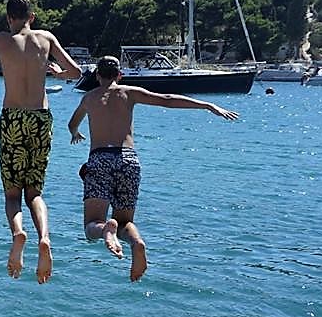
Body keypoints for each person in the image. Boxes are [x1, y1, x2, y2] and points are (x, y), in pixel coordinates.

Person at [67, 56, 240, 282]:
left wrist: (75, 133)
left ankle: (105, 231)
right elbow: (167, 99)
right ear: (120, 75)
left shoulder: (89, 98)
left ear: (97, 75)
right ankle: (136, 243)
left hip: (100, 159)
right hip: (128, 160)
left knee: (92, 226)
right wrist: (208, 106)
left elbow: (72, 123)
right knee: (125, 222)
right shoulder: (129, 92)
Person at [0, 0, 83, 284]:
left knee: (12, 194)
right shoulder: (46, 38)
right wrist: (58, 73)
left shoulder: (1, 41)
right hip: (41, 118)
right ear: (32, 17)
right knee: (35, 193)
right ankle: (44, 237)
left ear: (9, 18)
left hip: (13, 119)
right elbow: (76, 71)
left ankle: (18, 233)